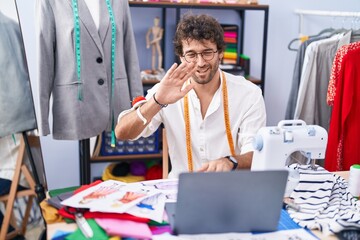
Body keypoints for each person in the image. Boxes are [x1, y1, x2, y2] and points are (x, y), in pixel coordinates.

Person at [115, 14, 266, 178]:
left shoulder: (249, 94)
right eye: (192, 55)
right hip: (179, 189)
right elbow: (122, 133)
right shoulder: (165, 91)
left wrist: (230, 162)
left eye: (207, 52)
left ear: (220, 53)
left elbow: (256, 154)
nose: (200, 63)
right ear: (181, 57)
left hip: (230, 189)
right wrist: (157, 101)